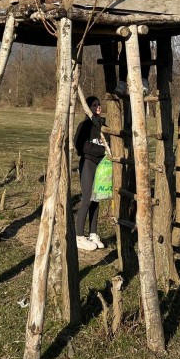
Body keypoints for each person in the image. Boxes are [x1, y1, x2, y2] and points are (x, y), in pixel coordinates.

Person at [74, 96, 107, 251]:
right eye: (94, 105)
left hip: (102, 167)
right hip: (88, 164)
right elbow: (80, 146)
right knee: (87, 199)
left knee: (96, 199)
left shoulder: (104, 125)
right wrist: (101, 150)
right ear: (88, 108)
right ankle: (79, 236)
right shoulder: (85, 125)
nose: (98, 107)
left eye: (99, 104)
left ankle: (93, 234)